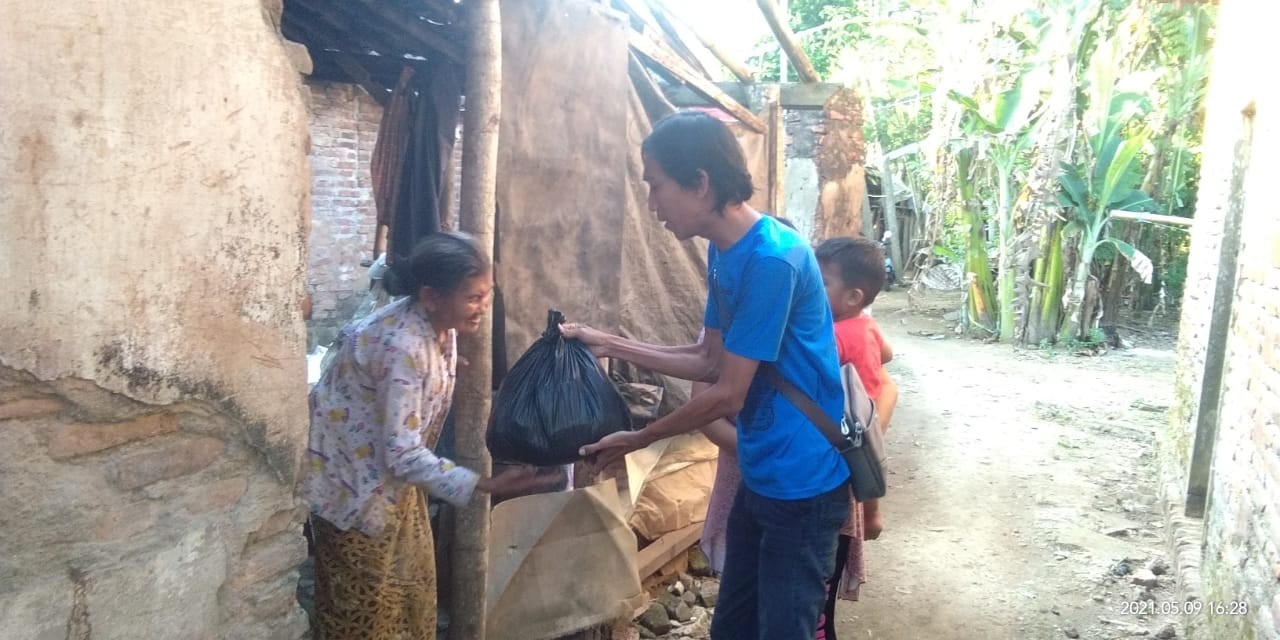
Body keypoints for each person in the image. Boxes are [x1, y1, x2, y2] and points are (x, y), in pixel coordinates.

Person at [562, 111, 849, 640]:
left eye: (657, 186)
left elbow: (726, 392)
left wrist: (641, 437)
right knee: (733, 628)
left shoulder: (772, 260)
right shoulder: (724, 252)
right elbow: (706, 359)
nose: (651, 205)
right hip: (763, 472)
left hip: (802, 484)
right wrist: (609, 342)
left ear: (700, 183)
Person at [302, 232, 533, 640]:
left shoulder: (434, 325)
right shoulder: (403, 347)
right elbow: (403, 452)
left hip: (388, 486)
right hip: (352, 491)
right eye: (472, 298)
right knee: (364, 612)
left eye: (486, 295)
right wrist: (484, 483)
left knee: (410, 596)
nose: (482, 308)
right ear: (430, 296)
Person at [813, 235, 901, 639]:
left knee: (857, 468)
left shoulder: (832, 335)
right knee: (871, 466)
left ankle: (871, 516)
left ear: (853, 296)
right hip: (867, 412)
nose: (814, 285)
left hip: (845, 418)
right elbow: (888, 356)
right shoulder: (866, 324)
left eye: (823, 280)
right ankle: (874, 515)